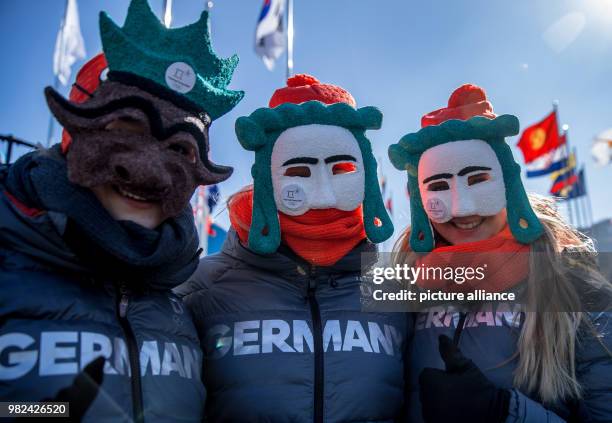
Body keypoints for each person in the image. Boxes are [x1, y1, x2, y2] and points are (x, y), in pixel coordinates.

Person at [0, 0, 243, 421]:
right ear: (75, 131)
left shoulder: (184, 296)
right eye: (126, 133)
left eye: (178, 149)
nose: (150, 173)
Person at [177, 74, 410, 422]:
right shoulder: (199, 288)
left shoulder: (400, 293)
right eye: (299, 170)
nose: (324, 193)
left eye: (341, 168)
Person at [388, 84, 612, 422]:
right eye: (438, 188)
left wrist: (505, 412)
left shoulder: (574, 282)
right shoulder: (406, 284)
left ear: (508, 183)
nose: (462, 209)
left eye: (477, 180)